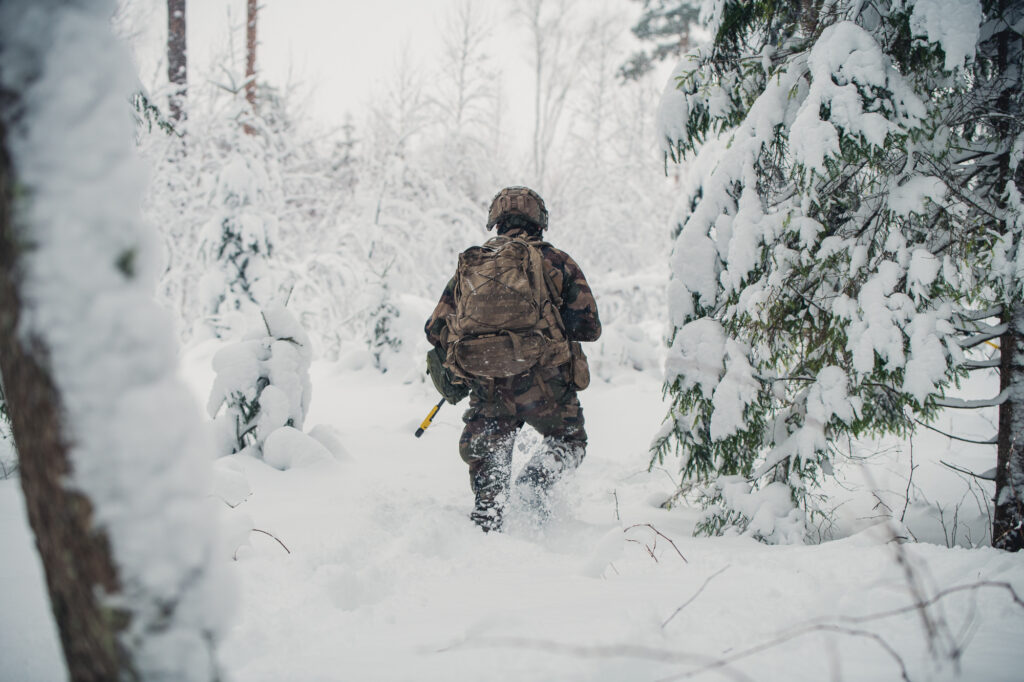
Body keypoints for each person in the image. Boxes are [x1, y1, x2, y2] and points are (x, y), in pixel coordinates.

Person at [424, 186, 601, 532]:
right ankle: (534, 488)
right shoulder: (557, 262)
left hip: (488, 383)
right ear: (540, 221)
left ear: (496, 221)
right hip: (546, 384)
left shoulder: (473, 265)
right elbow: (589, 326)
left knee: (490, 445)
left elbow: (435, 328)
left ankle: (489, 517)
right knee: (569, 440)